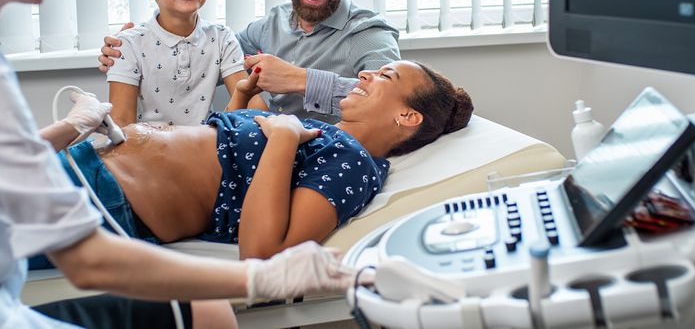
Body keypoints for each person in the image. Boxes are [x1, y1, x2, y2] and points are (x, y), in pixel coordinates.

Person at [0, 0, 360, 328]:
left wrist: (71, 126)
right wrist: (259, 279)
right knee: (211, 313)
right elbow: (89, 260)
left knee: (208, 312)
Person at [30, 60, 473, 265]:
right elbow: (225, 161)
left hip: (105, 200)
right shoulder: (325, 133)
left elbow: (264, 254)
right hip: (87, 162)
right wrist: (241, 103)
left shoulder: (355, 163)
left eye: (384, 76)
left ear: (407, 117)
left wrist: (280, 138)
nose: (364, 75)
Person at [99, 0, 401, 123]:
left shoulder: (368, 33)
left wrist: (301, 80)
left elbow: (395, 104)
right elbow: (196, 53)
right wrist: (132, 50)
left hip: (323, 155)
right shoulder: (265, 27)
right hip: (258, 153)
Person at [107, 0, 266, 127]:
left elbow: (252, 105)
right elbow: (121, 124)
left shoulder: (222, 37)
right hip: (149, 150)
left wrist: (277, 128)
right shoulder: (129, 43)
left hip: (205, 145)